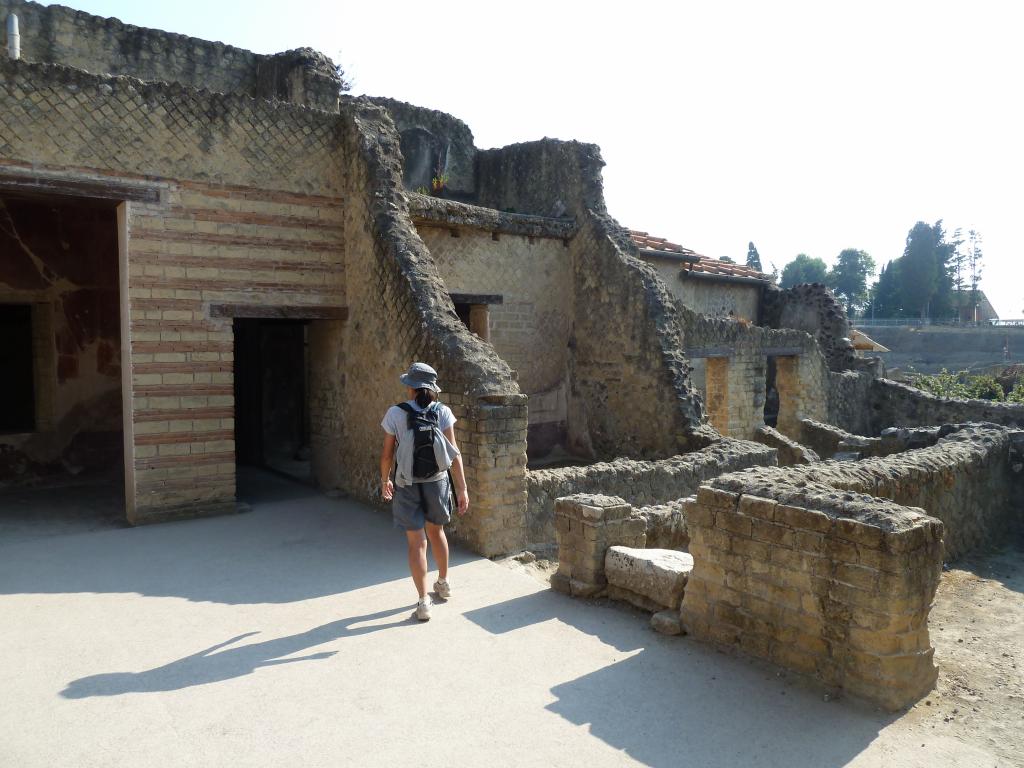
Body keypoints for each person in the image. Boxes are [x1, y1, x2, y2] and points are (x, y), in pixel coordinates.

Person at [380, 362, 469, 621]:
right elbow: (454, 453)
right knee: (437, 531)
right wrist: (462, 489)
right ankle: (443, 582)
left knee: (417, 542)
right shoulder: (443, 411)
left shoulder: (395, 414)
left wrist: (385, 479)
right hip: (438, 481)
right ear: (432, 389)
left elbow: (387, 455)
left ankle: (422, 602)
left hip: (406, 483)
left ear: (410, 388)